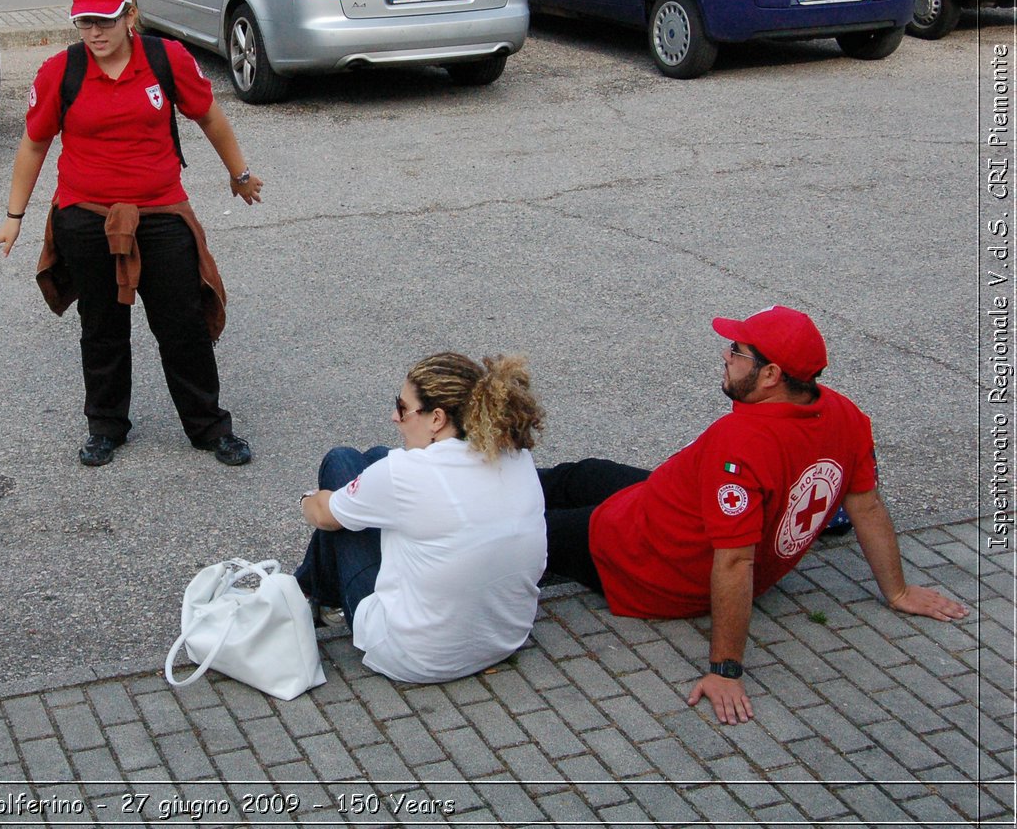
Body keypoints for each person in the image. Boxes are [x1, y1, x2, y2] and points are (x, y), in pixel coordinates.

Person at [538, 306, 970, 725]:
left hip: (643, 562)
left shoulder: (740, 441)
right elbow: (867, 506)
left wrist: (725, 670)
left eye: (736, 351)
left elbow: (734, 560)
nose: (725, 356)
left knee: (518, 533)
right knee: (584, 475)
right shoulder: (846, 414)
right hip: (663, 508)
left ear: (770, 375)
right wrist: (896, 591)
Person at [0, 0, 263, 468]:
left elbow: (210, 117)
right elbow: (33, 144)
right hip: (84, 216)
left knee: (182, 324)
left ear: (130, 15)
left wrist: (239, 175)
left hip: (160, 211)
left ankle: (209, 428)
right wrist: (13, 216)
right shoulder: (59, 72)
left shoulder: (165, 59)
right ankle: (106, 426)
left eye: (106, 21)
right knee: (102, 325)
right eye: (85, 22)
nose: (95, 33)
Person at [296, 352, 547, 684]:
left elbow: (324, 516)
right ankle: (315, 597)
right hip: (503, 640)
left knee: (341, 462)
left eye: (402, 408)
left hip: (414, 657)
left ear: (437, 419)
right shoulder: (516, 455)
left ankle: (310, 595)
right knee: (375, 457)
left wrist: (306, 499)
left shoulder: (405, 474)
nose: (394, 417)